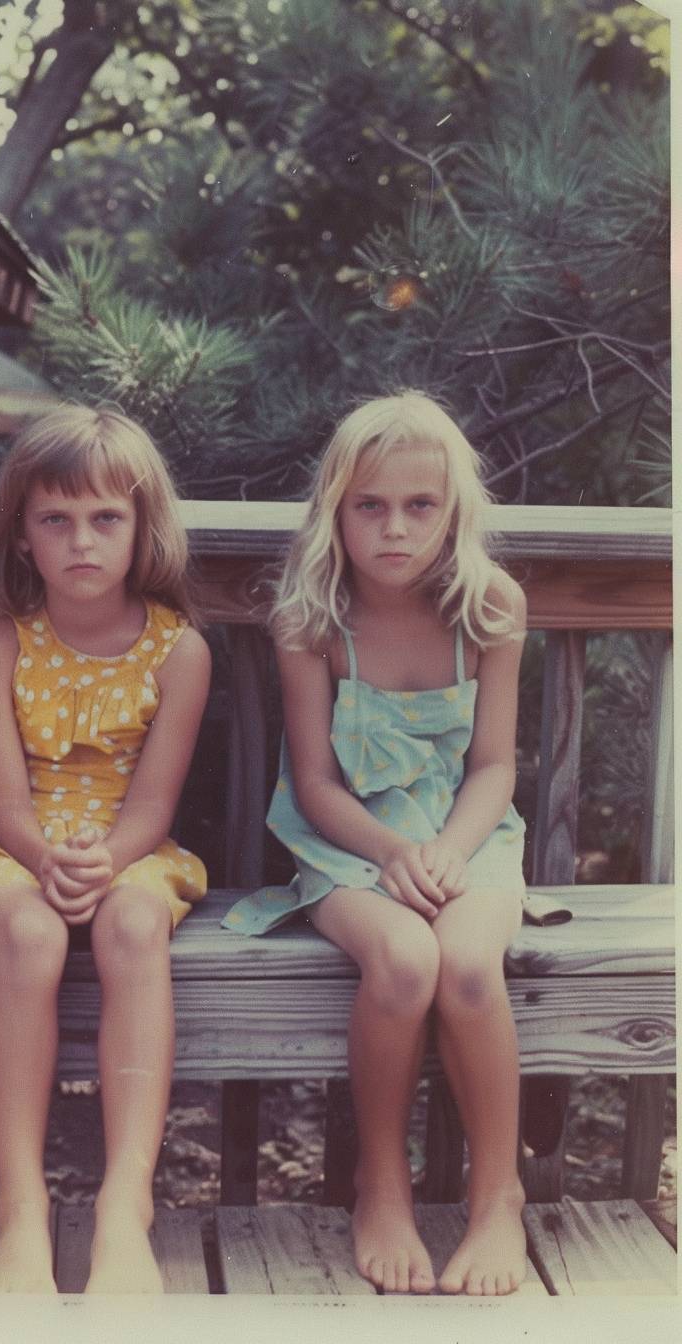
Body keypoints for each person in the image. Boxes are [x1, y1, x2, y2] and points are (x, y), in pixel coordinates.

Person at [0, 405, 211, 1294]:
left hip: (128, 845)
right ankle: (20, 1210)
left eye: (106, 518)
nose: (82, 540)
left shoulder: (177, 651)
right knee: (31, 936)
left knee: (136, 928)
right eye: (56, 520)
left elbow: (153, 806)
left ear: (142, 528)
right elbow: (1, 801)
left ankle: (126, 1207)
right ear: (24, 536)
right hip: (9, 843)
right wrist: (44, 860)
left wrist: (106, 862)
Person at [224, 391, 528, 1296]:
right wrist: (392, 854)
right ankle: (381, 1185)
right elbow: (314, 783)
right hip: (348, 845)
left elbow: (496, 767)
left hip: (468, 836)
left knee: (469, 965)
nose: (395, 528)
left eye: (420, 505)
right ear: (336, 511)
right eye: (371, 505)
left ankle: (495, 1199)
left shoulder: (491, 607)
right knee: (402, 960)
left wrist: (448, 848)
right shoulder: (312, 618)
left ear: (455, 512)